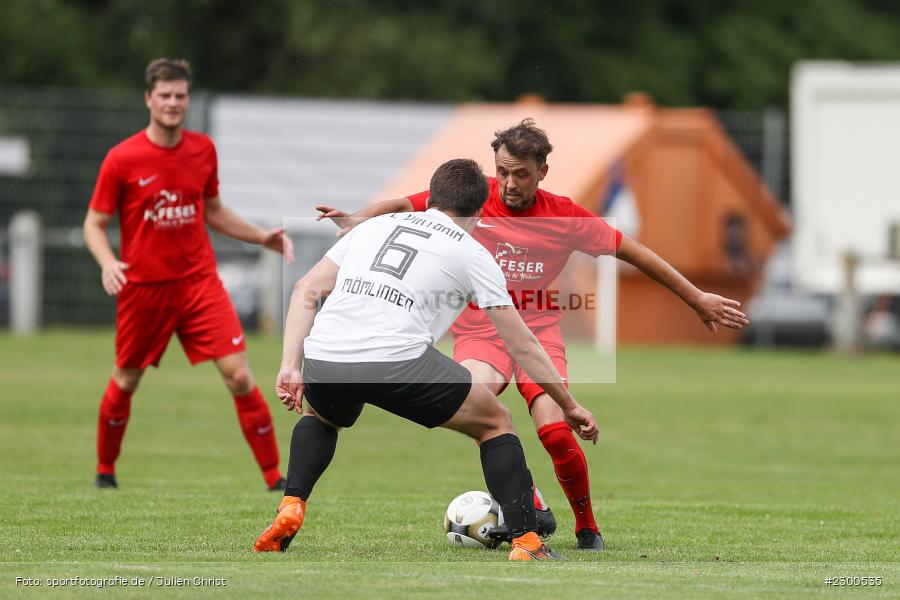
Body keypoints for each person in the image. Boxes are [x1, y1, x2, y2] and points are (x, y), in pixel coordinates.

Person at [316, 119, 749, 550]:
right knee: (475, 407)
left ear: (542, 171)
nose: (507, 183)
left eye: (520, 174)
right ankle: (528, 499)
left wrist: (696, 298)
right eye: (502, 171)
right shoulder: (473, 198)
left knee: (555, 431)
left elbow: (635, 252)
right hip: (481, 331)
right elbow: (404, 205)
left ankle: (587, 526)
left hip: (537, 333)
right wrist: (358, 218)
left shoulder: (565, 216)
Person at [253, 159, 599, 561]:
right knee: (495, 422)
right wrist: (569, 405)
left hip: (326, 354)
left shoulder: (373, 227)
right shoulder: (472, 251)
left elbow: (306, 289)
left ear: (431, 195)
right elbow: (521, 344)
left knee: (321, 417)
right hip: (397, 360)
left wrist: (290, 365)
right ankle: (527, 541)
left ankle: (292, 505)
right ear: (478, 210)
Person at [83, 58, 294, 491]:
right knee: (127, 378)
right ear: (149, 99)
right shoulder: (122, 158)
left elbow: (213, 211)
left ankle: (275, 479)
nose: (173, 103)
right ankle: (105, 471)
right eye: (165, 95)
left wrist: (261, 237)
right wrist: (108, 261)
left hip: (199, 284)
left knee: (238, 374)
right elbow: (94, 223)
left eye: (180, 95)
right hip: (143, 289)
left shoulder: (202, 150)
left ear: (187, 99)